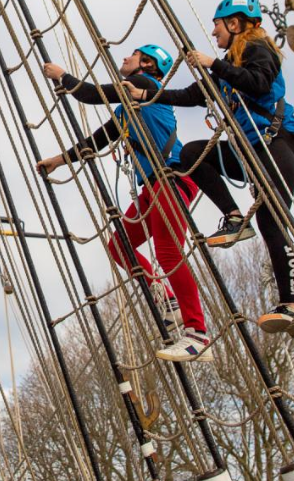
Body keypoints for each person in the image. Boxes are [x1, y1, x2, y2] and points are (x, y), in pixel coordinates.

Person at [127, 0, 294, 338]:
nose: (214, 33)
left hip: (278, 144)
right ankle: (235, 218)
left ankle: (290, 303)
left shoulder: (259, 50)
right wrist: (146, 96)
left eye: (217, 26)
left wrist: (213, 63)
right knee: (193, 152)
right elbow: (190, 96)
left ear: (235, 23)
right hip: (247, 152)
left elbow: (258, 82)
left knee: (272, 218)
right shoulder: (226, 69)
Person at [36, 44, 212, 362]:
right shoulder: (127, 110)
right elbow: (98, 141)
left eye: (132, 56)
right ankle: (165, 298)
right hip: (152, 187)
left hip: (171, 178)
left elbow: (91, 94)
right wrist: (59, 161)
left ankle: (197, 333)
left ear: (147, 64)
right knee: (119, 246)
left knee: (168, 251)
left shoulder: (146, 86)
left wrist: (63, 76)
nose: (124, 59)